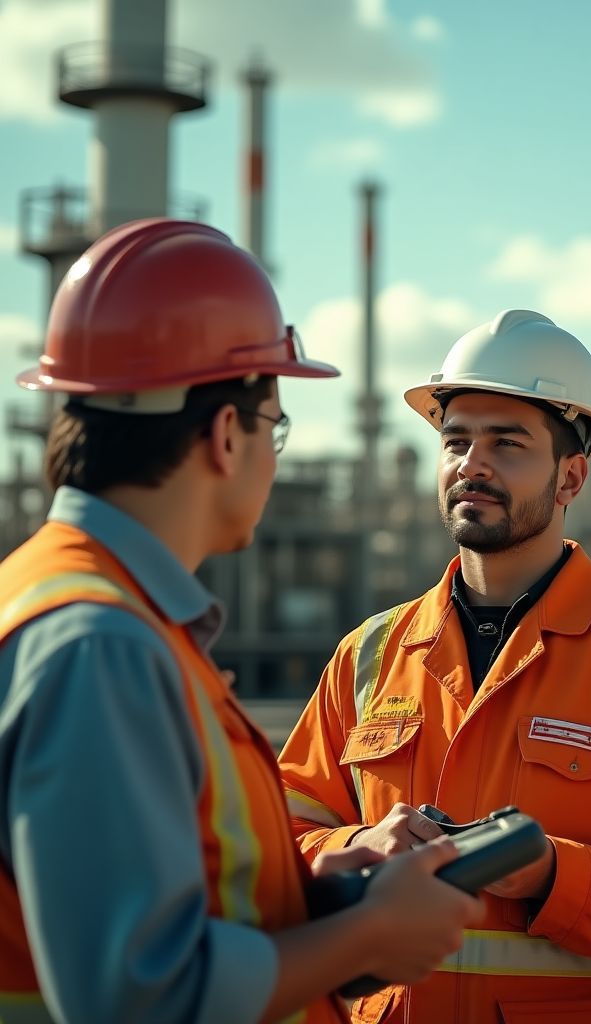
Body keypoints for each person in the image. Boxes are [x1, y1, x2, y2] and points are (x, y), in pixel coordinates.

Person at [0, 219, 481, 1024]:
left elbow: (178, 907)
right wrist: (368, 936)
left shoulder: (77, 605)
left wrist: (321, 897)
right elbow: (137, 998)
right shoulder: (100, 645)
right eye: (276, 427)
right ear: (227, 435)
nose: (275, 455)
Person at [278, 309, 591, 1024]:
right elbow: (278, 843)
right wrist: (358, 842)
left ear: (572, 478)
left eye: (507, 444)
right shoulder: (369, 656)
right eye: (456, 441)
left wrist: (551, 875)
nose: (472, 464)